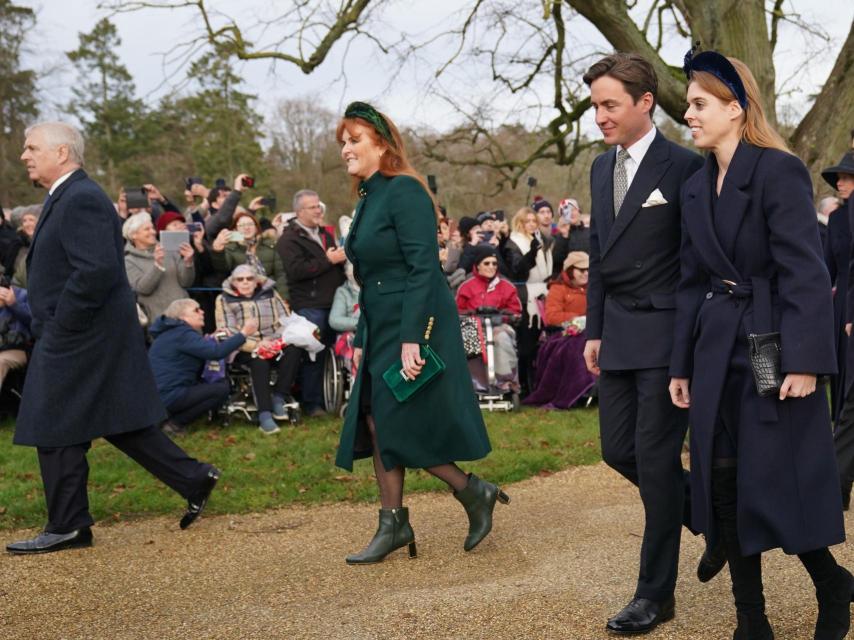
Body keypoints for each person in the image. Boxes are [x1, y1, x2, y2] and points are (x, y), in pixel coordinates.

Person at [670, 49, 852, 640]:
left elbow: (804, 269)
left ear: (734, 107)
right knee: (721, 481)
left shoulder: (779, 170)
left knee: (780, 482)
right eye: (688, 106)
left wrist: (806, 360)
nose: (689, 115)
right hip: (714, 347)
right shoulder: (696, 188)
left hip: (772, 344)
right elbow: (690, 280)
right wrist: (681, 365)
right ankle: (751, 618)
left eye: (699, 105)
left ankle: (832, 585)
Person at [7, 122, 220, 555]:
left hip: (77, 335)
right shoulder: (68, 195)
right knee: (115, 419)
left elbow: (95, 272)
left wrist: (60, 323)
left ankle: (67, 524)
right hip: (83, 333)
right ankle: (194, 477)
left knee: (53, 422)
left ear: (62, 152)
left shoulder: (81, 197)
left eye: (32, 148)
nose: (24, 155)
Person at [335, 101, 508, 565]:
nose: (346, 149)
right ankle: (396, 520)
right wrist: (360, 338)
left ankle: (469, 491)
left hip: (412, 323)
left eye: (355, 140)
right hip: (379, 325)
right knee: (376, 420)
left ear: (382, 145)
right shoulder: (370, 195)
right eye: (343, 142)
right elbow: (372, 275)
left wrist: (413, 336)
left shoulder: (405, 191)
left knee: (393, 421)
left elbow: (422, 270)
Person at [582, 52, 708, 635]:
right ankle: (715, 520)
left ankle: (654, 594)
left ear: (645, 102)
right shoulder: (598, 168)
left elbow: (694, 268)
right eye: (596, 106)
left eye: (610, 104)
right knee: (617, 452)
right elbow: (602, 259)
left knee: (657, 466)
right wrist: (595, 328)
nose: (600, 116)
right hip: (619, 338)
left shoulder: (685, 167)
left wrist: (686, 349)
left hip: (666, 339)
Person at [277, 189, 346, 417]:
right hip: (310, 305)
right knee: (312, 355)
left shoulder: (325, 234)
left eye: (319, 205)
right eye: (313, 207)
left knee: (331, 351)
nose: (318, 210)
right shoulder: (288, 239)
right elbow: (296, 271)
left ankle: (330, 399)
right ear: (299, 211)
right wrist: (328, 259)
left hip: (334, 301)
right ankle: (312, 404)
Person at [215, 264, 304, 435]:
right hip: (243, 346)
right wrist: (256, 345)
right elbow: (227, 329)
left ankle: (278, 397)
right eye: (240, 279)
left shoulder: (271, 293)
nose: (245, 282)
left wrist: (273, 341)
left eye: (249, 278)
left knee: (294, 350)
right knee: (259, 361)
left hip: (273, 341)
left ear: (256, 281)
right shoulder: (223, 299)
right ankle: (265, 414)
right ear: (234, 282)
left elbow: (285, 320)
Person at [148, 298, 258, 436]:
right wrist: (244, 333)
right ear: (182, 316)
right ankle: (175, 423)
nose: (202, 312)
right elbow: (216, 353)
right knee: (220, 389)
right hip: (169, 396)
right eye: (196, 310)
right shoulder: (183, 334)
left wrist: (212, 338)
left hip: (157, 397)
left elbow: (200, 348)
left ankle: (167, 418)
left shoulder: (173, 332)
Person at [822, 151, 854, 508]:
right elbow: (827, 268)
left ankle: (838, 479)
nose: (840, 183)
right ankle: (840, 484)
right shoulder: (837, 220)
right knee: (843, 388)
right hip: (839, 306)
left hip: (850, 304)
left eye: (846, 176)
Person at [456, 244, 522, 393]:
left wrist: (505, 315)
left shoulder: (506, 286)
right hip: (473, 325)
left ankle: (506, 382)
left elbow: (515, 310)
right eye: (487, 263)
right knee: (470, 339)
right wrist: (470, 313)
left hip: (498, 325)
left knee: (503, 338)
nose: (491, 267)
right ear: (477, 265)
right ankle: (474, 384)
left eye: (494, 263)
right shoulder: (466, 286)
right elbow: (457, 309)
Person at [503, 206, 552, 395]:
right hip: (525, 296)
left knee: (543, 343)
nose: (532, 224)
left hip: (544, 292)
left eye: (534, 221)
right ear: (520, 223)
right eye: (528, 221)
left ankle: (540, 384)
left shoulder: (540, 240)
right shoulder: (513, 244)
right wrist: (532, 252)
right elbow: (519, 269)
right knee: (526, 344)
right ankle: (524, 386)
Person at [123, 212, 195, 322]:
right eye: (147, 229)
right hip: (159, 320)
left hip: (186, 316)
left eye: (152, 228)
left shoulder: (169, 249)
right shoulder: (129, 260)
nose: (153, 232)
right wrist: (157, 265)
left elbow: (186, 282)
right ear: (133, 235)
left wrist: (188, 262)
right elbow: (143, 289)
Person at [210, 211, 289, 300]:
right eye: (242, 225)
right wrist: (218, 250)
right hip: (242, 296)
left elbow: (280, 274)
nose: (247, 228)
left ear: (256, 228)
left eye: (250, 224)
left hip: (270, 295)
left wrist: (283, 298)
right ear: (235, 229)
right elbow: (222, 268)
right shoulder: (230, 248)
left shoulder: (270, 245)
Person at [544, 251, 588, 327]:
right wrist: (577, 319)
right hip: (567, 335)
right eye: (582, 270)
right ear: (570, 271)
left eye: (588, 269)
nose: (586, 273)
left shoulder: (594, 287)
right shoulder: (558, 288)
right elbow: (552, 316)